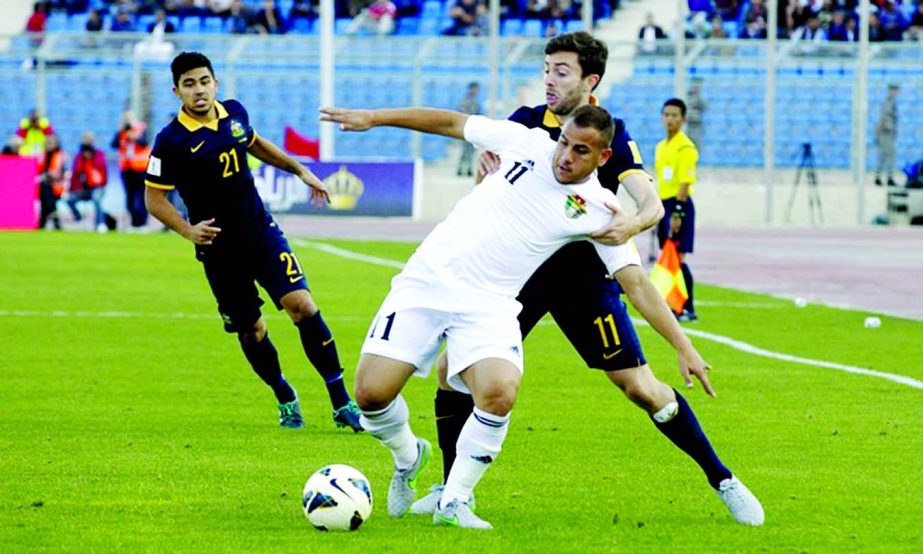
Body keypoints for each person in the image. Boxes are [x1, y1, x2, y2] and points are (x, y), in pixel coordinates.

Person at [410, 32, 763, 527]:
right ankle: (450, 491)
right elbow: (488, 181)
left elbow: (651, 205)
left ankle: (722, 478)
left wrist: (630, 227)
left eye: (562, 71)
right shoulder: (525, 123)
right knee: (453, 373)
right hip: (520, 274)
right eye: (547, 68)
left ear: (589, 80)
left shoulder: (608, 136)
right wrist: (482, 166)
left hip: (583, 279)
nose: (549, 79)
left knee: (641, 388)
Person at [322, 103, 670, 529]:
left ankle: (456, 500)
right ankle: (409, 456)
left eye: (581, 150)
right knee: (370, 397)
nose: (565, 155)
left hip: (490, 304)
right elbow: (451, 122)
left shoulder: (599, 209)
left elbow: (635, 282)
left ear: (603, 158)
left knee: (500, 392)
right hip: (426, 282)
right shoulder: (524, 142)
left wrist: (682, 347)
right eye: (564, 142)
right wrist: (374, 118)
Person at [144, 51, 362, 432]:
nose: (199, 90)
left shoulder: (234, 113)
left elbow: (255, 144)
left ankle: (342, 401)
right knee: (252, 329)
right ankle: (284, 395)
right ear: (176, 91)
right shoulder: (170, 141)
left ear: (215, 82)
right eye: (189, 84)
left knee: (303, 306)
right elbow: (154, 198)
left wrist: (299, 170)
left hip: (260, 232)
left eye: (204, 81)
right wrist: (186, 230)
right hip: (218, 250)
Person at [656, 98, 699, 322]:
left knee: (678, 257)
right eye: (667, 114)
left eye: (675, 115)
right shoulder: (661, 147)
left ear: (682, 119)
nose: (670, 119)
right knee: (668, 256)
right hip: (664, 204)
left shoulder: (686, 148)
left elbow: (685, 183)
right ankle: (673, 305)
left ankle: (688, 306)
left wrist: (678, 213)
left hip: (678, 204)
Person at [112, 111, 151, 230]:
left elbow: (145, 143)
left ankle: (143, 223)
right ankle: (134, 223)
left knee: (142, 197)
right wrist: (121, 132)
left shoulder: (140, 129)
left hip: (141, 168)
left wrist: (135, 137)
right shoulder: (121, 132)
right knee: (130, 197)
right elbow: (113, 145)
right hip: (127, 169)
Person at [66, 131, 108, 232]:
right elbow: (76, 173)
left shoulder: (98, 155)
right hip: (83, 189)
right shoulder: (79, 157)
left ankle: (100, 224)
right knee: (69, 200)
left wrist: (90, 158)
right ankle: (79, 219)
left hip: (97, 187)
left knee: (96, 199)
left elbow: (101, 170)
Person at [37, 134, 67, 230]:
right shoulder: (43, 156)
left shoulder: (60, 155)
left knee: (46, 194)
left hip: (57, 187)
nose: (48, 145)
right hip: (46, 186)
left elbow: (58, 174)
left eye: (50, 143)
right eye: (47, 143)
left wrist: (47, 175)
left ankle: (47, 221)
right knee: (44, 190)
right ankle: (51, 220)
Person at [875, 83, 899, 187]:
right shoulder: (888, 103)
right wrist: (878, 133)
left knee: (885, 156)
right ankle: (886, 178)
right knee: (887, 156)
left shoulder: (892, 102)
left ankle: (880, 177)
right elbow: (883, 119)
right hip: (886, 133)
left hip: (889, 133)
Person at [456, 82, 481, 177]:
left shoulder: (475, 101)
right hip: (465, 128)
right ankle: (460, 169)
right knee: (465, 150)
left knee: (471, 150)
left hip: (473, 129)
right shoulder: (465, 101)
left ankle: (468, 168)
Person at [685, 78, 707, 151]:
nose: (697, 88)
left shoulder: (699, 98)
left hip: (697, 125)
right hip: (688, 125)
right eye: (695, 86)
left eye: (698, 86)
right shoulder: (687, 96)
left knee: (696, 146)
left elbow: (705, 107)